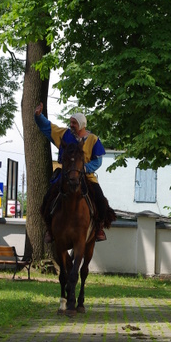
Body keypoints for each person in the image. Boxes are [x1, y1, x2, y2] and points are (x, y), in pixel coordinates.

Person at [34, 103, 115, 243]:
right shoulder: (64, 134)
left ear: (81, 124)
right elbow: (48, 127)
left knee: (101, 201)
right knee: (47, 199)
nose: (71, 125)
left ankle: (99, 229)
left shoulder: (93, 139)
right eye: (70, 122)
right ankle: (50, 229)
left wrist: (85, 168)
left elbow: (98, 161)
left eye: (74, 123)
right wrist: (38, 116)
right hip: (65, 176)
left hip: (86, 176)